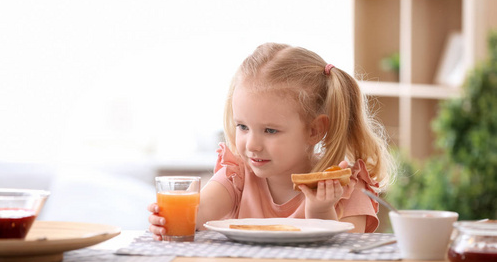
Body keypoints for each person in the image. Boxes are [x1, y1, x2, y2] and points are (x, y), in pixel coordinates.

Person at [148, 43, 394, 239]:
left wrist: (320, 211)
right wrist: (166, 220)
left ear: (314, 130)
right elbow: (197, 214)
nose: (251, 144)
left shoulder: (343, 187)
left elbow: (345, 260)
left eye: (270, 131)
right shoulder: (239, 174)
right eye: (242, 126)